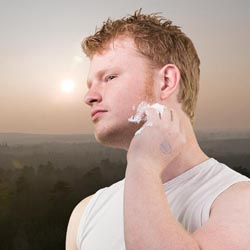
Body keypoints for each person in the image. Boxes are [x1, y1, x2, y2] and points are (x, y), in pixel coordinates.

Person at [66, 9, 250, 250]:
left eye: (110, 77)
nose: (89, 97)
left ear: (166, 82)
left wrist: (143, 164)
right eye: (90, 85)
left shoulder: (239, 200)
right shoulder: (85, 213)